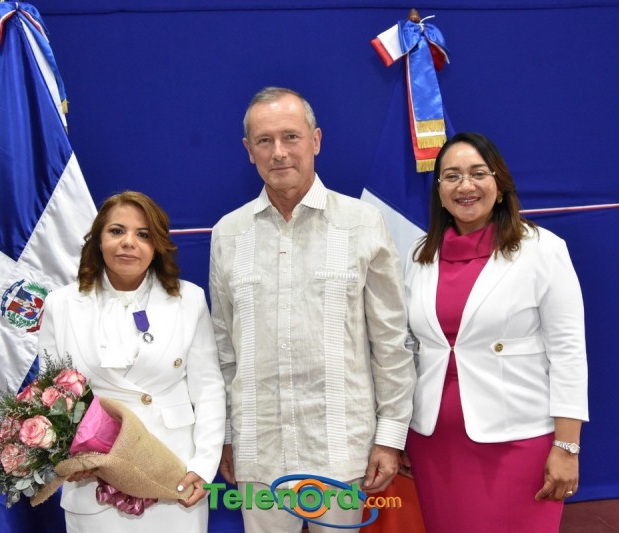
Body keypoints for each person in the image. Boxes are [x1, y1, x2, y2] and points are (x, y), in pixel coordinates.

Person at [209, 87, 416, 532]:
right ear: (248, 150)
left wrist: (390, 436)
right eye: (264, 141)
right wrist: (225, 436)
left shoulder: (362, 223)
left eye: (291, 136)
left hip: (342, 449)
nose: (279, 152)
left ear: (316, 140)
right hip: (258, 451)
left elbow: (390, 342)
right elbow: (225, 350)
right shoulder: (228, 234)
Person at [403, 132, 589, 532]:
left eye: (477, 173)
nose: (465, 186)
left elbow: (569, 352)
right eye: (451, 176)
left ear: (499, 185)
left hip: (518, 442)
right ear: (439, 191)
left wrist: (567, 446)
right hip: (434, 444)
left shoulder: (542, 249)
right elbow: (407, 349)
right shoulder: (418, 256)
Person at [37, 191, 226, 532]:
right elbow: (52, 397)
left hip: (173, 469)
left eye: (143, 234)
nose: (128, 243)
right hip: (94, 474)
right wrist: (68, 458)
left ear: (157, 245)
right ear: (99, 240)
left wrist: (203, 465)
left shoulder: (189, 299)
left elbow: (209, 389)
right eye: (116, 231)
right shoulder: (60, 304)